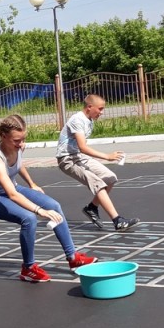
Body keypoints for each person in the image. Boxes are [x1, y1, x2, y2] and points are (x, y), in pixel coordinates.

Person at [0, 114, 98, 283]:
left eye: (23, 139)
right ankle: (28, 268)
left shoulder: (19, 147)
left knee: (54, 206)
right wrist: (39, 211)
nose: (21, 144)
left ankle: (73, 258)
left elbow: (19, 164)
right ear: (4, 136)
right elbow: (12, 194)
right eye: (16, 140)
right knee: (29, 218)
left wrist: (32, 183)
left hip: (13, 188)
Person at [56, 94, 139, 231]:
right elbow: (83, 147)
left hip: (78, 156)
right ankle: (117, 221)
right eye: (100, 109)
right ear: (89, 107)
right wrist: (107, 156)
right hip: (67, 160)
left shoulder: (89, 120)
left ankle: (92, 208)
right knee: (98, 184)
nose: (102, 112)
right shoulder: (77, 120)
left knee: (110, 178)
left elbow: (81, 149)